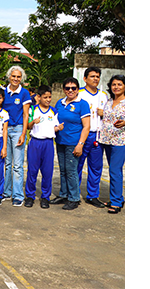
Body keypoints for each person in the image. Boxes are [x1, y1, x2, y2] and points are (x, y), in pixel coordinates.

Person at [52, 77, 91, 211]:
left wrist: (80, 144)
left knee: (71, 171)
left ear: (77, 89)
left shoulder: (82, 104)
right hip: (60, 141)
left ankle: (74, 198)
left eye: (73, 88)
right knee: (62, 170)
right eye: (67, 88)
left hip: (73, 143)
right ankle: (64, 194)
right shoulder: (60, 103)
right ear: (63, 89)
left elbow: (86, 127)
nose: (70, 90)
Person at [24, 85, 61, 209]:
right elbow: (28, 126)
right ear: (38, 97)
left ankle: (45, 197)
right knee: (32, 171)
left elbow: (55, 127)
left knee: (47, 171)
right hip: (35, 142)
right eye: (45, 97)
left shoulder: (54, 111)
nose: (48, 99)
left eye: (50, 97)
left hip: (48, 144)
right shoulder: (33, 109)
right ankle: (30, 196)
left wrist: (58, 128)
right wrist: (33, 122)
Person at [77, 67, 109, 208]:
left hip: (98, 135)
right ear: (85, 79)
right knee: (77, 166)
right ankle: (73, 194)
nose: (95, 79)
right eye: (92, 76)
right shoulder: (79, 95)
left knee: (96, 168)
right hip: (83, 135)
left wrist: (104, 113)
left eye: (97, 76)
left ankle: (93, 195)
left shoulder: (103, 95)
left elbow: (109, 115)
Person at [1, 66, 32, 207]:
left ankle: (18, 195)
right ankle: (7, 192)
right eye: (13, 76)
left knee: (18, 165)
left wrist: (23, 133)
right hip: (5, 130)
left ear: (22, 78)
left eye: (18, 77)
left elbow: (26, 115)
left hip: (18, 129)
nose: (15, 79)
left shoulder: (24, 93)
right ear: (9, 77)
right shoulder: (3, 92)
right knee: (7, 163)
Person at [98, 74, 125, 214]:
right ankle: (118, 198)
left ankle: (116, 202)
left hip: (120, 141)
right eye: (114, 84)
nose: (116, 87)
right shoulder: (109, 101)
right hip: (106, 140)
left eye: (119, 84)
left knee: (115, 171)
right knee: (113, 170)